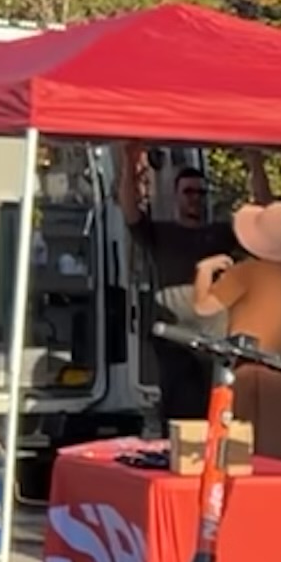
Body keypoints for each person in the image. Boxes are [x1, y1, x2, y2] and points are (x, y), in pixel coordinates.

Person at [183, 192, 281, 466]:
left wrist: (204, 270)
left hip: (253, 369)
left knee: (246, 455)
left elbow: (203, 307)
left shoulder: (245, 272)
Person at [126, 149, 219, 432]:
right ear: (176, 195)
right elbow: (129, 210)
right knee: (178, 415)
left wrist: (255, 160)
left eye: (201, 193)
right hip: (173, 336)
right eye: (189, 192)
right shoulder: (160, 233)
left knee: (214, 409)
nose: (195, 199)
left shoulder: (220, 234)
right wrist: (128, 159)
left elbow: (266, 226)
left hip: (214, 340)